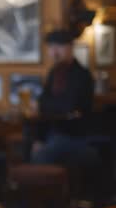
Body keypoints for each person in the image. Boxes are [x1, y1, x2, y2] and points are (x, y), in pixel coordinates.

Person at [30, 29, 98, 168]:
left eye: (59, 47)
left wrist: (44, 105)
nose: (54, 52)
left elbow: (69, 106)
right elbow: (44, 102)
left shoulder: (82, 75)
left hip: (76, 136)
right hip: (54, 133)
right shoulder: (54, 73)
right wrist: (39, 139)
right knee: (29, 144)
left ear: (70, 48)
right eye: (50, 47)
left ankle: (50, 189)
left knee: (43, 154)